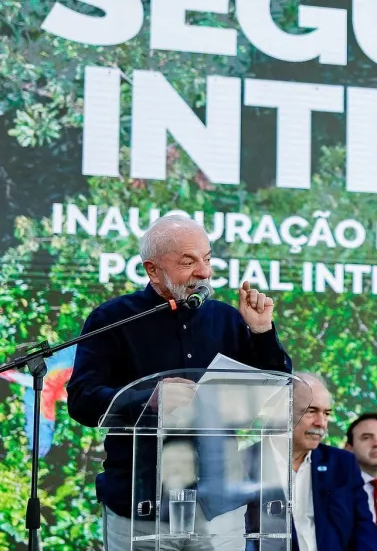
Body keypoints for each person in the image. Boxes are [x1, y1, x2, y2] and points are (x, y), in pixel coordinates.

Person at [65, 214, 290, 550]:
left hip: (218, 504)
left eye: (207, 259)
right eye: (188, 262)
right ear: (153, 270)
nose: (205, 272)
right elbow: (82, 400)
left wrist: (261, 332)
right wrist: (146, 399)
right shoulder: (113, 319)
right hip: (140, 506)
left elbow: (277, 387)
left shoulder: (227, 318)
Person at [246, 374, 377, 551]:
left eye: (326, 414)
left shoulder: (343, 464)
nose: (321, 423)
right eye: (311, 411)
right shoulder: (244, 464)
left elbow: (365, 533)